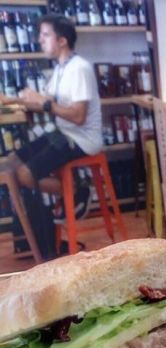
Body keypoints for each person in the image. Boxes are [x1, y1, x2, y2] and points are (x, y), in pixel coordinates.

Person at [0, 14, 102, 222]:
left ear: (62, 41)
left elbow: (79, 117)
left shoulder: (79, 69)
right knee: (11, 163)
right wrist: (10, 100)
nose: (40, 40)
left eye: (45, 35)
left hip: (82, 139)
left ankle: (78, 192)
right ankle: (34, 221)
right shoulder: (60, 69)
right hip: (63, 133)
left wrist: (44, 102)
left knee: (24, 174)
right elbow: (44, 102)